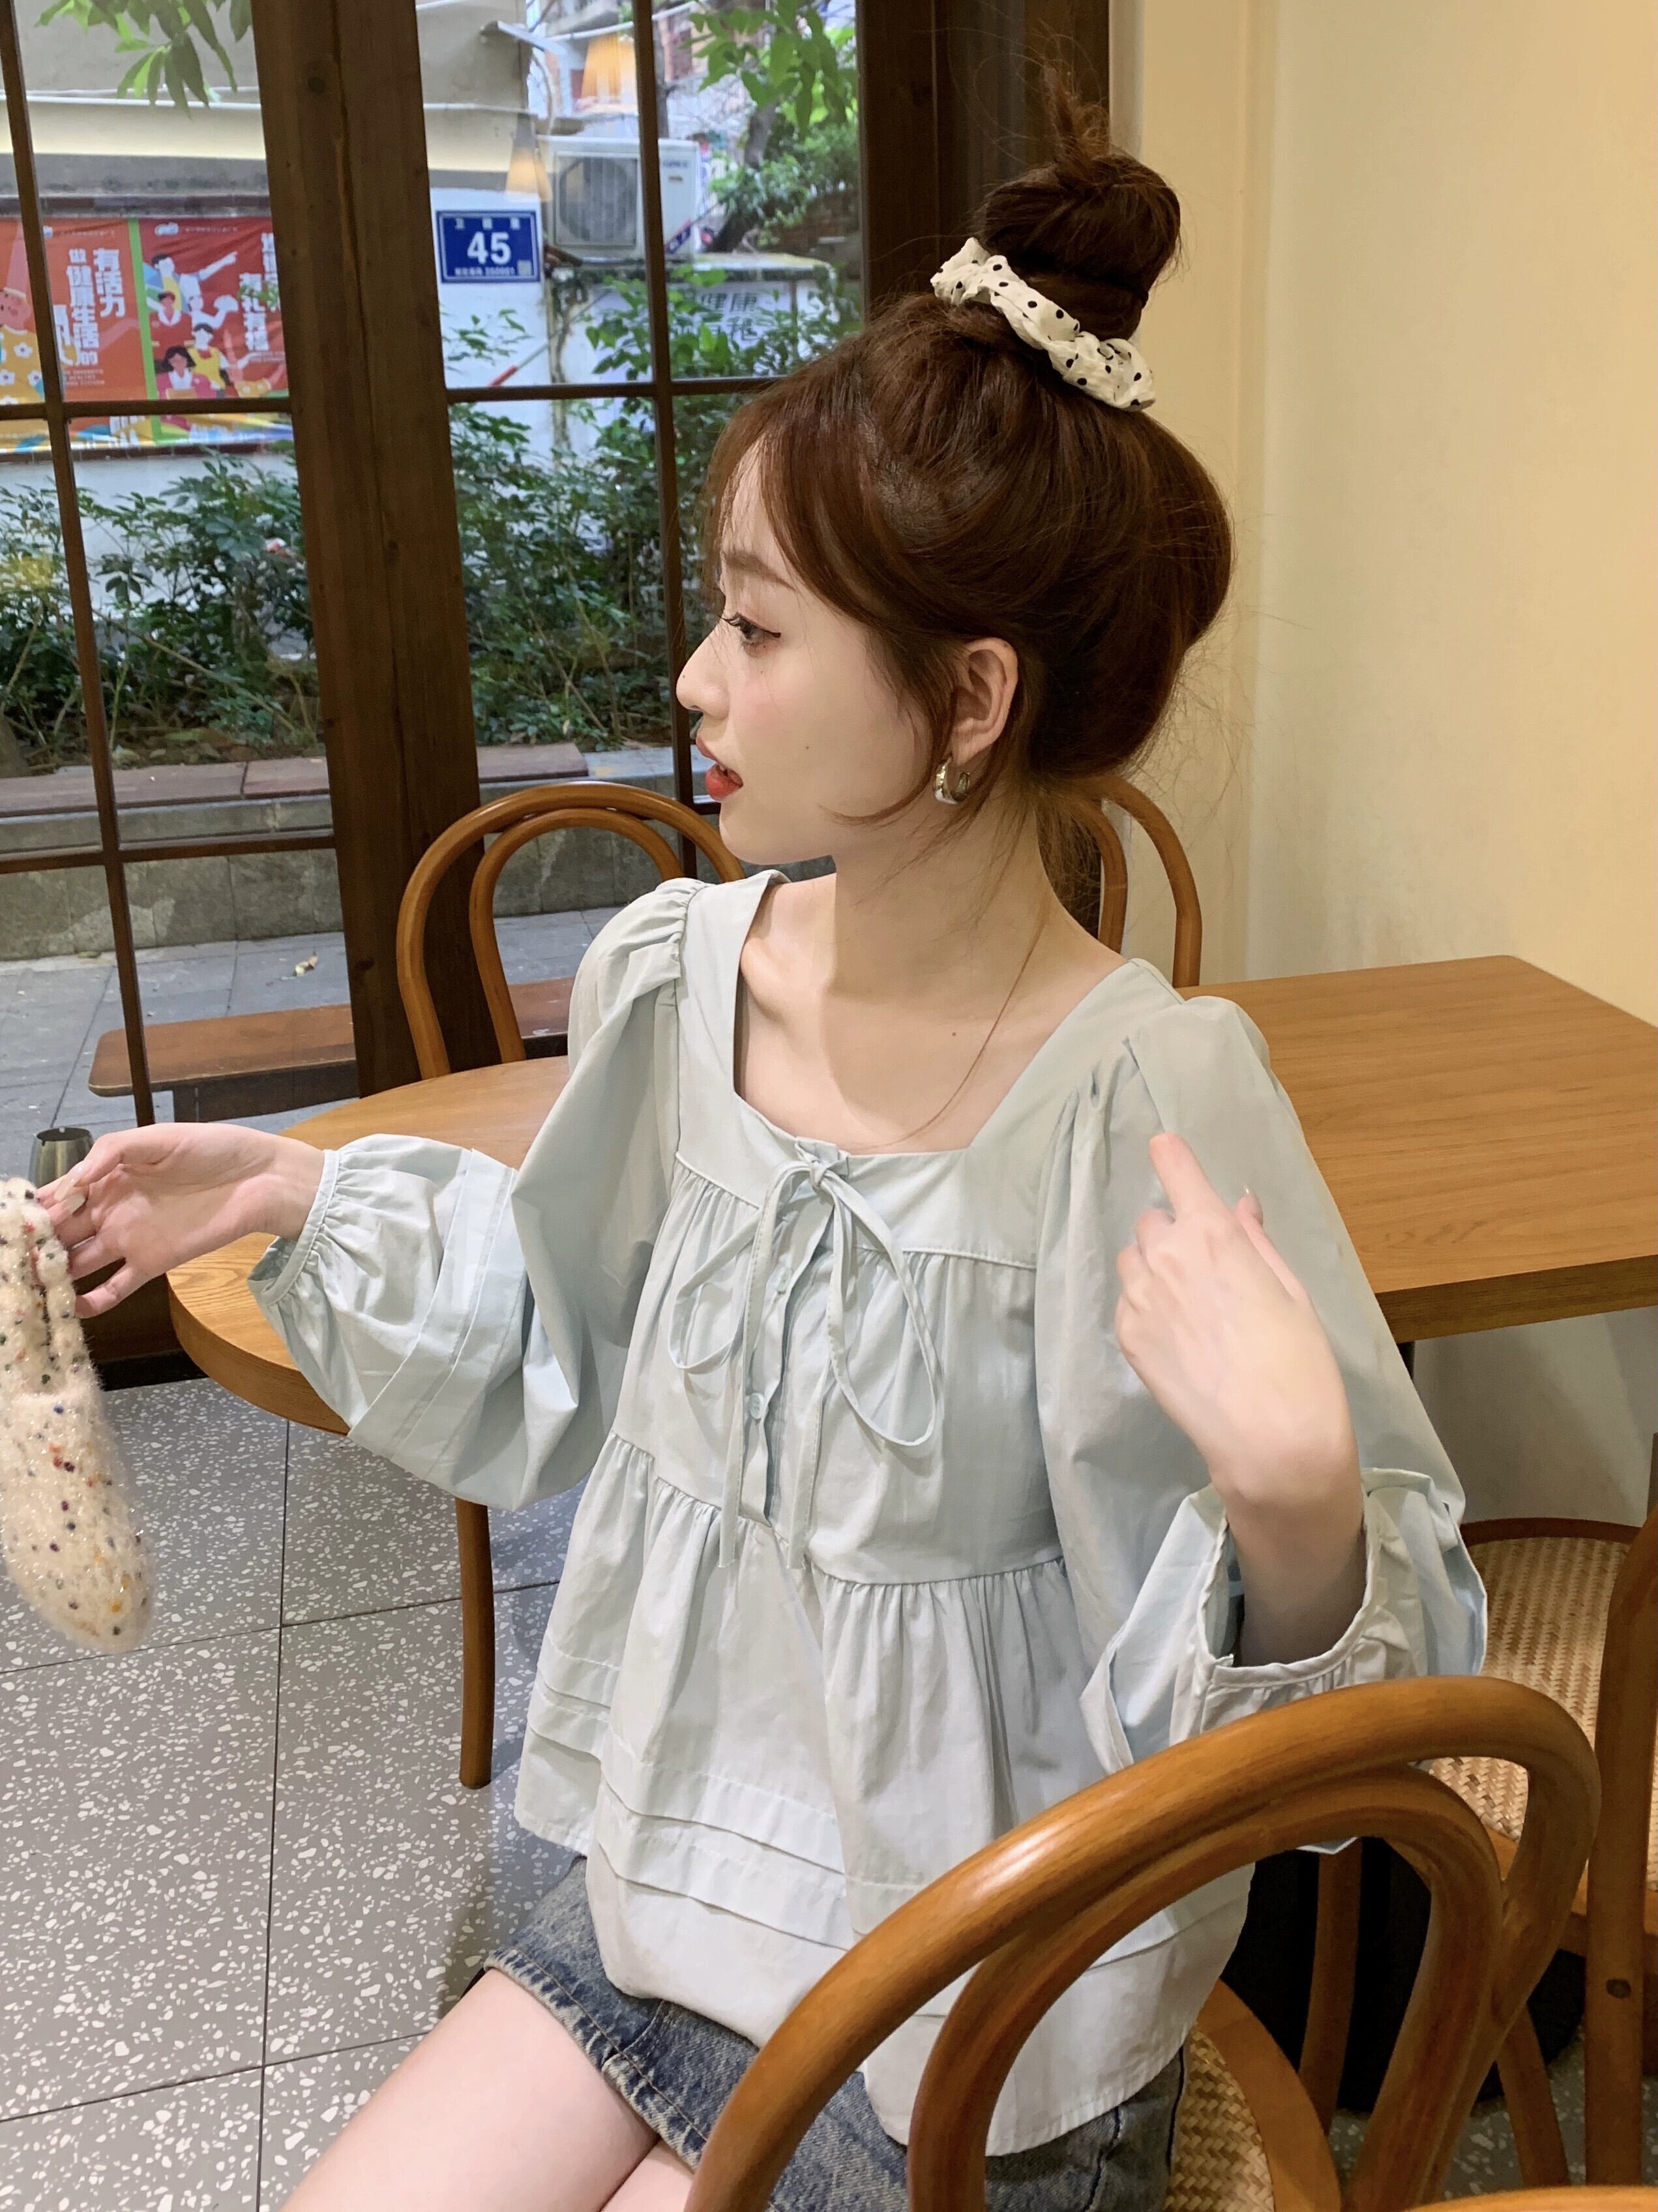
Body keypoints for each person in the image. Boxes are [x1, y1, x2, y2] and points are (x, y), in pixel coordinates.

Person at [39, 86, 1483, 2212]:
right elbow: (563, 1331)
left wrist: (1297, 1506)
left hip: (972, 2016)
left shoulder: (1149, 1096)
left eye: (761, 626)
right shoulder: (673, 974)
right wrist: (292, 1187)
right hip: (655, 1898)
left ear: (968, 702)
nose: (697, 679)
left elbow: (1349, 1732)